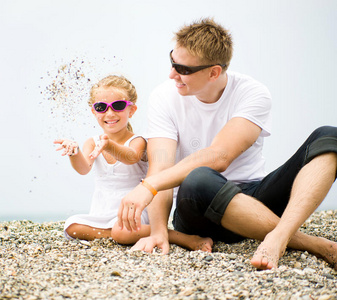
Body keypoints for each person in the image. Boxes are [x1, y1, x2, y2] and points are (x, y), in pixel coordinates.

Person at [117, 18, 337, 270]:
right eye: (172, 61)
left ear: (214, 72)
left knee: (329, 136)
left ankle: (278, 236)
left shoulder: (252, 93)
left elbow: (220, 155)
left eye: (183, 69)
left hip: (255, 200)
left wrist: (148, 186)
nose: (172, 74)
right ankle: (314, 244)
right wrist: (158, 230)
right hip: (199, 209)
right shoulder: (163, 97)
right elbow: (161, 167)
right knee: (199, 178)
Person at [54, 74, 213, 252]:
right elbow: (83, 168)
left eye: (118, 106)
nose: (110, 113)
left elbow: (131, 157)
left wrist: (109, 145)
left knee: (121, 231)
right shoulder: (92, 141)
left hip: (134, 208)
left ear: (132, 110)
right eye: (101, 107)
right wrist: (74, 153)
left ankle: (179, 237)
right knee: (71, 226)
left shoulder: (138, 140)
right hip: (103, 208)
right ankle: (113, 233)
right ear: (94, 111)